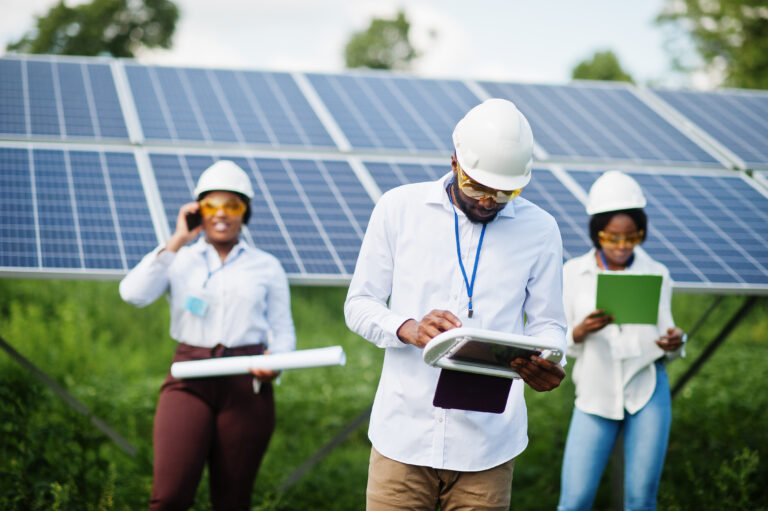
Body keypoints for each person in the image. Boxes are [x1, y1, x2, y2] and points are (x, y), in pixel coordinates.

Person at [344, 98, 567, 511]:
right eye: (476, 187)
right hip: (403, 440)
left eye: (505, 192)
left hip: (488, 447)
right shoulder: (399, 209)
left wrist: (551, 360)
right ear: (454, 163)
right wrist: (406, 327)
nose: (487, 201)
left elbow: (549, 323)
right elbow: (359, 304)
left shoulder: (540, 230)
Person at [119, 160, 296, 511]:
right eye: (211, 205)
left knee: (232, 500)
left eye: (233, 205)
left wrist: (276, 363)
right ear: (198, 210)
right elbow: (133, 294)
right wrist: (178, 239)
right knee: (169, 497)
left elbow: (282, 330)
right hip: (189, 377)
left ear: (245, 211)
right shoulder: (180, 259)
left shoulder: (266, 265)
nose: (222, 214)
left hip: (247, 383)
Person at [557, 170, 686, 511]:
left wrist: (676, 342)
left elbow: (667, 334)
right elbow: (560, 342)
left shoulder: (657, 272)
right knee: (574, 500)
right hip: (595, 394)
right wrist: (580, 331)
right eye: (612, 238)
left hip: (647, 389)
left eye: (631, 238)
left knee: (641, 500)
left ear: (641, 233)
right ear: (595, 231)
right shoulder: (573, 273)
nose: (622, 246)